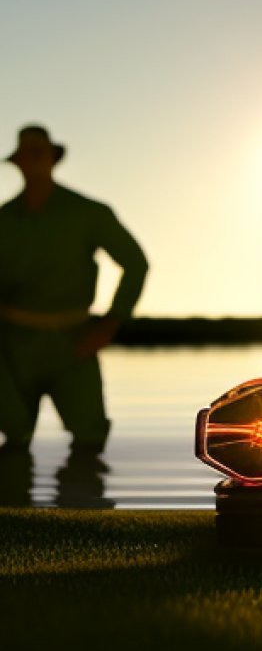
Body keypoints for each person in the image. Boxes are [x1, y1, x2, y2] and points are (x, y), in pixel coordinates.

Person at [0, 125, 148, 462]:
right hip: (11, 347)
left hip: (75, 343)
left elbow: (135, 264)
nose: (33, 160)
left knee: (89, 439)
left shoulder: (89, 212)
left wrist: (109, 324)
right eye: (27, 154)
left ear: (53, 158)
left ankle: (85, 507)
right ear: (18, 162)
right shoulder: (3, 220)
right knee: (14, 438)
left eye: (40, 152)